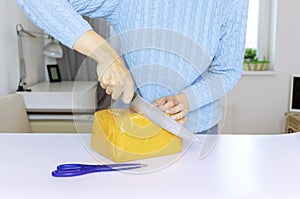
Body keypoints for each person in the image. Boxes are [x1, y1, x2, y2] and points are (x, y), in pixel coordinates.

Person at [16, 0, 249, 134]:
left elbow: (227, 70)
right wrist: (104, 53)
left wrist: (187, 100)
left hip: (198, 130)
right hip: (132, 126)